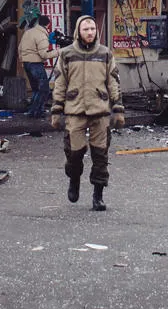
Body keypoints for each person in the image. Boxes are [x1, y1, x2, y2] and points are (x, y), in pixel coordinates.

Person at [50, 15, 125, 211]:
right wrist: (56, 111)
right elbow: (60, 83)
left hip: (100, 111)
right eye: (86, 29)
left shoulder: (105, 53)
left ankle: (98, 195)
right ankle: (74, 179)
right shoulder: (66, 54)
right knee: (74, 153)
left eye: (93, 28)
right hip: (75, 111)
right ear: (78, 32)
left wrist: (118, 109)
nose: (90, 32)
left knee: (100, 155)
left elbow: (113, 82)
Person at [19, 15, 61, 119]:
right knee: (44, 89)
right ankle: (35, 112)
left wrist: (23, 60)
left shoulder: (28, 32)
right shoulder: (41, 35)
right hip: (36, 64)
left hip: (27, 63)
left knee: (36, 89)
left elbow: (20, 48)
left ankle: (34, 111)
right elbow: (44, 55)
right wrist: (60, 52)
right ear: (48, 24)